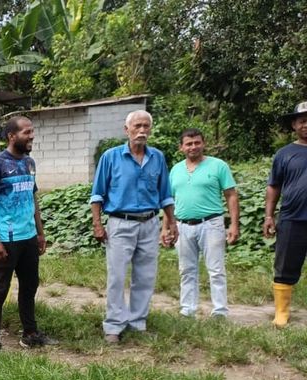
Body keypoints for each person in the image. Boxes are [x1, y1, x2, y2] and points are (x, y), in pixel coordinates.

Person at [89, 110, 177, 343]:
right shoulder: (111, 157)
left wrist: (171, 223)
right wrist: (97, 224)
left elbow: (165, 194)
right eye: (137, 126)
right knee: (117, 276)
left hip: (150, 223)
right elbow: (97, 194)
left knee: (145, 275)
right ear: (126, 129)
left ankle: (138, 322)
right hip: (120, 223)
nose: (142, 130)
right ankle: (114, 325)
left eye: (146, 126)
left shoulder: (157, 157)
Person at [0, 116, 55, 350]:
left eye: (32, 131)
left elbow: (33, 198)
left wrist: (40, 234)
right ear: (11, 136)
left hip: (29, 238)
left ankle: (30, 333)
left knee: (29, 287)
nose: (31, 136)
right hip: (7, 240)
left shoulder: (29, 163)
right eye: (26, 132)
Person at [165, 128, 239, 318]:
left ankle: (220, 311)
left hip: (211, 224)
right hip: (182, 226)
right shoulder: (175, 170)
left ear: (203, 144)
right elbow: (169, 201)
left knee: (216, 269)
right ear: (181, 147)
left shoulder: (218, 166)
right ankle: (187, 309)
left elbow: (231, 195)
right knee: (186, 270)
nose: (193, 147)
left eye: (197, 142)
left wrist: (234, 225)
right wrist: (165, 227)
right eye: (188, 144)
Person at [264, 100, 307, 327]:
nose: (306, 125)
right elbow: (274, 186)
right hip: (292, 218)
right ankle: (282, 312)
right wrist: (269, 216)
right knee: (285, 266)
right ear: (294, 125)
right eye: (302, 121)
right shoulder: (284, 154)